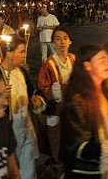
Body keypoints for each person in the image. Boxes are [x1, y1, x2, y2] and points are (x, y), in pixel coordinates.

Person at [61, 45, 108, 178]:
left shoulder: (105, 92)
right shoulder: (77, 102)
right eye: (102, 60)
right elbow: (77, 148)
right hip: (88, 173)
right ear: (87, 65)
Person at [0, 35, 38, 179]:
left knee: (28, 169)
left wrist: (36, 100)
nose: (24, 55)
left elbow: (30, 92)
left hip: (26, 128)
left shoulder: (21, 72)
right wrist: (1, 98)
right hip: (9, 133)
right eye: (21, 51)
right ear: (9, 53)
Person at [37, 26, 75, 166]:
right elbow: (42, 88)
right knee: (58, 145)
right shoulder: (49, 64)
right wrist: (56, 91)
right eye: (58, 39)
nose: (62, 42)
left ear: (70, 41)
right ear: (53, 42)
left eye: (65, 38)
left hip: (71, 110)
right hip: (56, 112)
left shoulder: (73, 59)